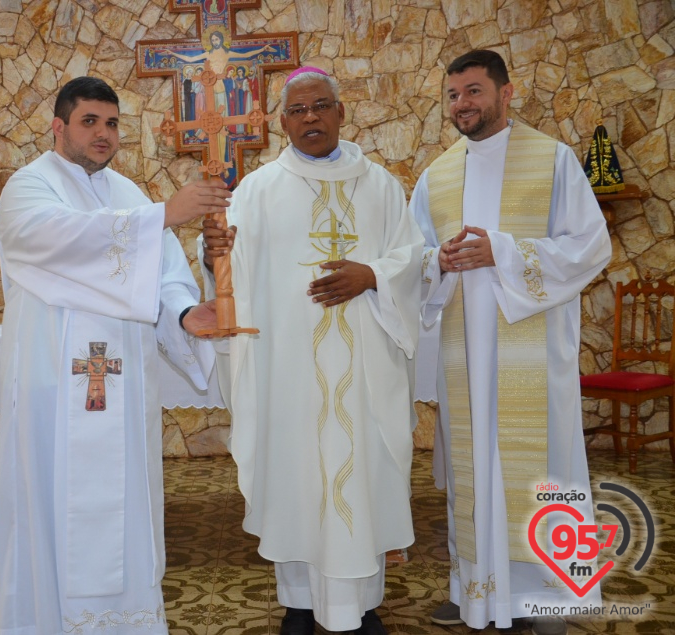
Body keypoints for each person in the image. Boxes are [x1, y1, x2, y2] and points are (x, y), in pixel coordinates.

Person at [0, 76, 232, 635]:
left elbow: (167, 273)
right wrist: (163, 215)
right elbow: (62, 238)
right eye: (90, 122)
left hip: (120, 393)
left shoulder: (126, 194)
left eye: (113, 123)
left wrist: (182, 313)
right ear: (59, 127)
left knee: (125, 510)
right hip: (53, 390)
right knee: (51, 510)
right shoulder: (28, 189)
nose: (104, 134)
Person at [200, 67, 422, 635]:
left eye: (321, 106)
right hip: (290, 370)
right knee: (297, 476)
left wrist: (372, 274)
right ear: (281, 123)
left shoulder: (379, 186)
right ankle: (299, 601)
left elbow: (413, 259)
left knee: (359, 477)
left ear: (341, 114)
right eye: (298, 111)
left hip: (368, 368)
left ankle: (362, 604)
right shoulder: (258, 189)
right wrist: (213, 256)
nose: (311, 118)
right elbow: (233, 276)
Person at [408, 50, 611, 635]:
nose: (461, 104)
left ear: (506, 91)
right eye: (452, 95)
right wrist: (436, 262)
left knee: (539, 467)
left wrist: (502, 251)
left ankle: (547, 594)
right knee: (474, 471)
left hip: (531, 355)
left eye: (473, 91)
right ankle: (479, 591)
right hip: (466, 359)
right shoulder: (438, 175)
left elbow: (590, 247)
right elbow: (412, 258)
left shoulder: (553, 160)